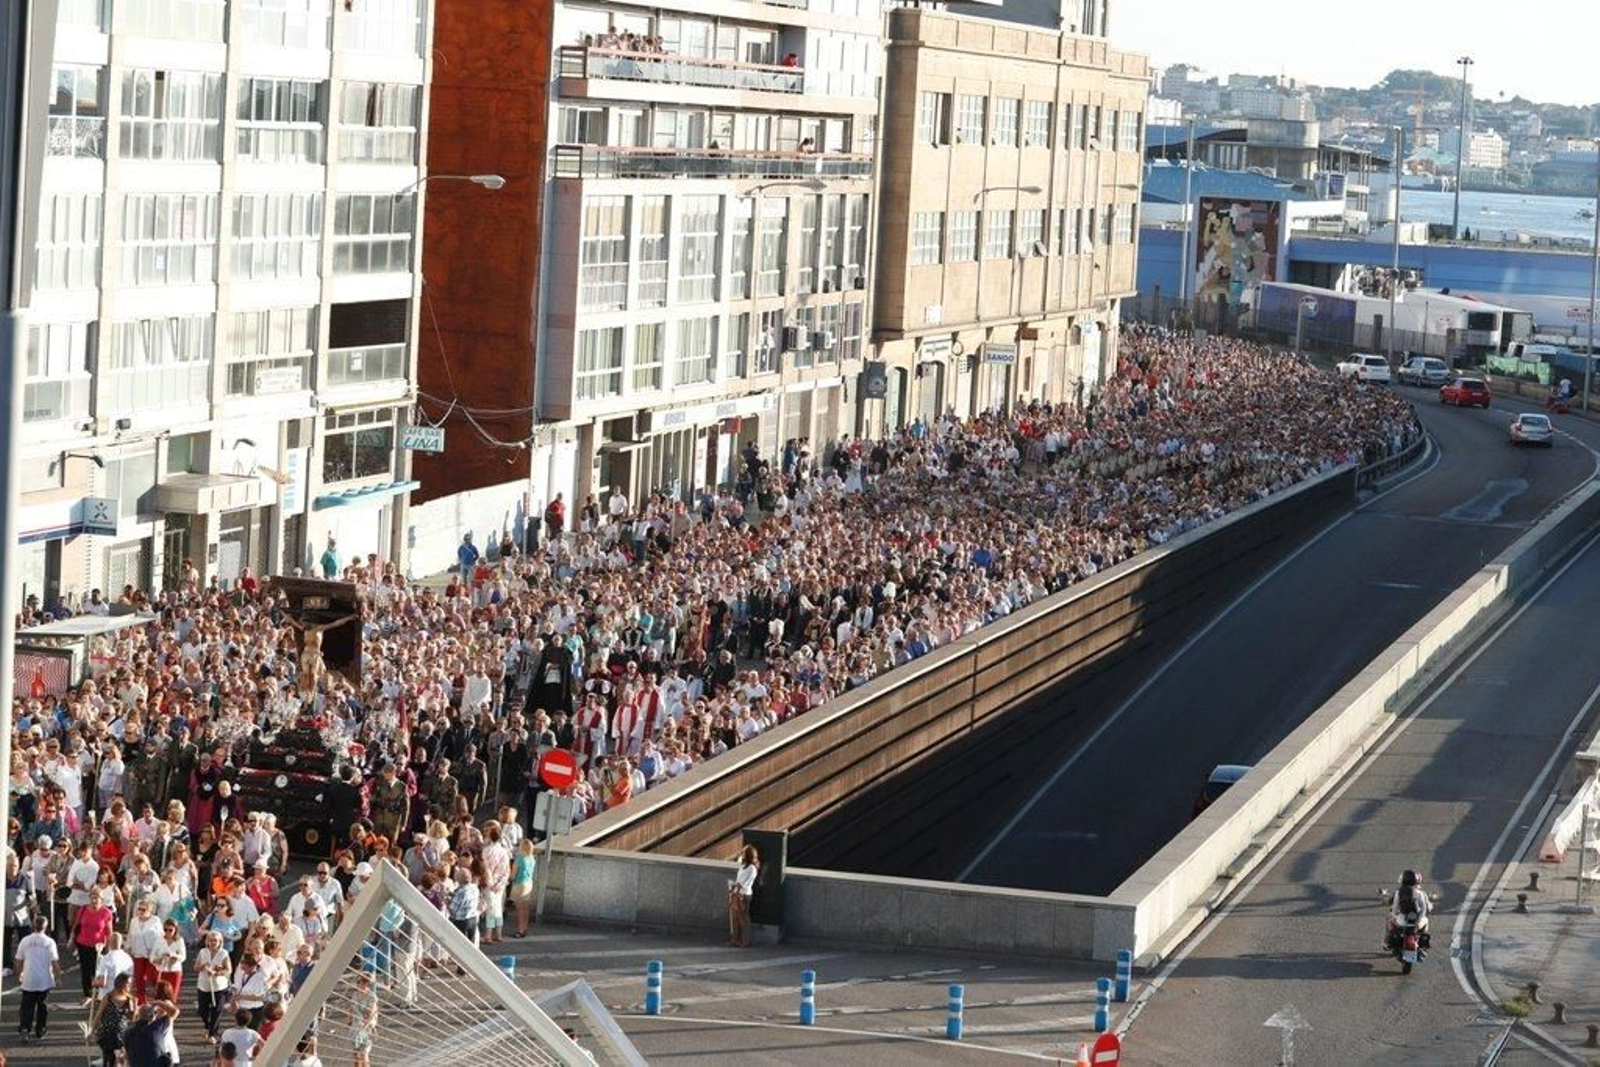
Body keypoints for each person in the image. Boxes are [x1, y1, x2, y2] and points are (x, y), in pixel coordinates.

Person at [14, 915, 58, 1043]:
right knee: (42, 1006)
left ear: (34, 926)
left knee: (26, 1006)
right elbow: (55, 962)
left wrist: (19, 973)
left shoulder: (25, 941)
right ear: (46, 927)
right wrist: (59, 977)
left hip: (29, 979)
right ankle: (40, 1029)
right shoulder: (50, 942)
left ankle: (25, 1028)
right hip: (44, 981)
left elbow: (18, 960)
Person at [73, 886, 115, 1001]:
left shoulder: (106, 913)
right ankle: (87, 994)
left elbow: (109, 932)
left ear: (102, 899)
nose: (94, 899)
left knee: (97, 970)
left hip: (99, 947)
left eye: (96, 897)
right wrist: (72, 938)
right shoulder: (83, 909)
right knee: (85, 970)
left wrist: (109, 947)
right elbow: (77, 924)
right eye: (92, 896)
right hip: (83, 943)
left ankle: (98, 995)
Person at [90, 970, 135, 1065]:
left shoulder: (129, 999)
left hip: (122, 1036)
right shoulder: (108, 997)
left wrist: (134, 1008)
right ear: (121, 984)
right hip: (107, 1034)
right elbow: (99, 1014)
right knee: (111, 1059)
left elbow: (132, 1019)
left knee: (119, 1060)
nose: (130, 986)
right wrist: (91, 1031)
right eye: (128, 984)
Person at [1384, 868, 1431, 955]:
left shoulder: (1399, 892)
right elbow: (1423, 909)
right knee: (1426, 920)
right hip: (1416, 923)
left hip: (1401, 922)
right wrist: (1419, 921)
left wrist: (1394, 914)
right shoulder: (1420, 893)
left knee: (1389, 917)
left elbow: (1395, 908)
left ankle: (1387, 940)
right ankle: (1422, 939)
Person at [727, 845, 758, 948]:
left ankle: (745, 941)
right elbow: (739, 879)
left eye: (743, 852)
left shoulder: (752, 868)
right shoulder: (743, 865)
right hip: (737, 893)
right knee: (735, 917)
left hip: (744, 895)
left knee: (743, 918)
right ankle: (735, 939)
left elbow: (745, 883)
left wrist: (736, 885)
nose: (741, 853)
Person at [508, 837, 537, 937]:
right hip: (529, 883)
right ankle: (524, 928)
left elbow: (513, 874)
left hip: (519, 884)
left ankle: (520, 930)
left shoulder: (520, 858)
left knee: (519, 909)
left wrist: (509, 877)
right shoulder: (531, 858)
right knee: (525, 908)